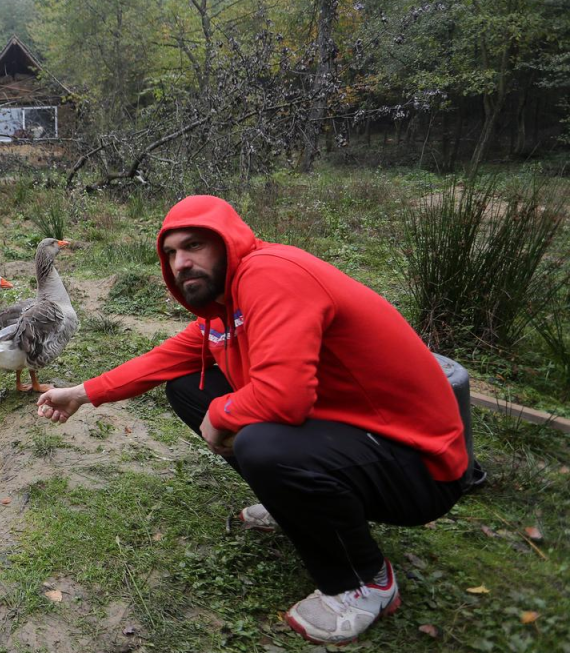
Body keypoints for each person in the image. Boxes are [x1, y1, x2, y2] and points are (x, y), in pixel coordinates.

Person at [36, 195, 469, 645]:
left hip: (419, 464)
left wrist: (222, 415)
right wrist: (81, 395)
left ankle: (364, 582)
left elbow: (286, 398)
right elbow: (165, 360)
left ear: (228, 243)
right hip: (355, 436)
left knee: (261, 444)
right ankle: (295, 504)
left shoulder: (271, 275)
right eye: (171, 254)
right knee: (188, 389)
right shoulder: (226, 306)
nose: (182, 263)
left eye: (195, 246)